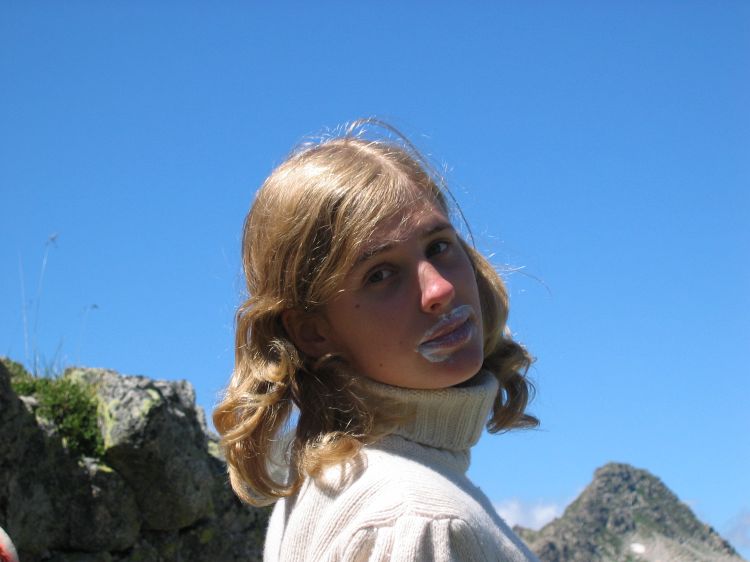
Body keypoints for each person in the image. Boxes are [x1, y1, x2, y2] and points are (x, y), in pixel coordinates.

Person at [213, 120, 540, 561]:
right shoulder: (418, 521)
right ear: (313, 331)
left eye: (439, 246)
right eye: (381, 274)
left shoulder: (338, 485)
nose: (439, 289)